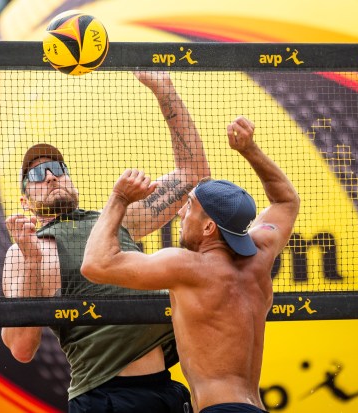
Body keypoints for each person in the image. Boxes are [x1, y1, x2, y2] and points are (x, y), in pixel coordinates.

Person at [1, 71, 211, 412]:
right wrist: (32, 258)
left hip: (166, 390)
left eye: (56, 167)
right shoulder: (25, 250)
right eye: (36, 175)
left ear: (71, 180)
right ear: (25, 202)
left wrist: (163, 89)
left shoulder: (114, 219)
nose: (51, 175)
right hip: (104, 396)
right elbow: (21, 348)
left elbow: (194, 176)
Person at [81, 116, 300, 413]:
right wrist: (250, 151)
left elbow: (96, 265)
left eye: (190, 206)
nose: (181, 212)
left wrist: (119, 199)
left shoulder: (188, 266)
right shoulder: (261, 255)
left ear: (209, 227)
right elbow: (286, 202)